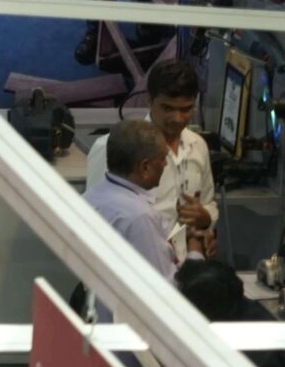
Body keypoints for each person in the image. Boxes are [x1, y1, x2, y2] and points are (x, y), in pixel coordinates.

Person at [83, 55, 218, 263]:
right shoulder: (111, 146)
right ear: (149, 100)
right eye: (168, 108)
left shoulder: (198, 146)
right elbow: (95, 218)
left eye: (186, 109)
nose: (177, 118)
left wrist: (205, 219)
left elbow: (208, 204)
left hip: (184, 270)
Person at [83, 119, 174, 312]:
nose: (166, 164)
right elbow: (163, 291)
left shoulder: (91, 197)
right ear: (145, 167)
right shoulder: (139, 217)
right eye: (163, 158)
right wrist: (194, 252)